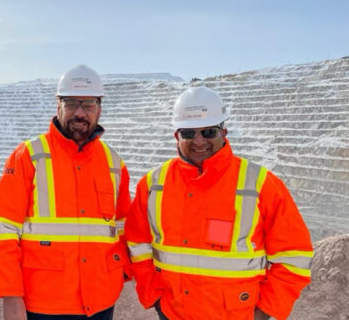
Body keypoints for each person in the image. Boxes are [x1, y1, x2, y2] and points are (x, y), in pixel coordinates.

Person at [124, 86, 314, 320]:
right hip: (173, 314)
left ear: (224, 132)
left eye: (209, 131)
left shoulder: (260, 184)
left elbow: (294, 257)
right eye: (189, 133)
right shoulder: (153, 184)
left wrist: (264, 312)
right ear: (177, 136)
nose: (199, 141)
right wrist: (154, 297)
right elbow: (137, 245)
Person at [0, 65, 131, 319]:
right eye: (72, 103)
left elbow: (123, 226)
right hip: (44, 304)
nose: (80, 113)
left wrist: (120, 271)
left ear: (99, 108)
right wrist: (11, 296)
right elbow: (4, 233)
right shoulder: (28, 156)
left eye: (88, 105)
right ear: (58, 105)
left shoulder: (113, 163)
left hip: (100, 302)